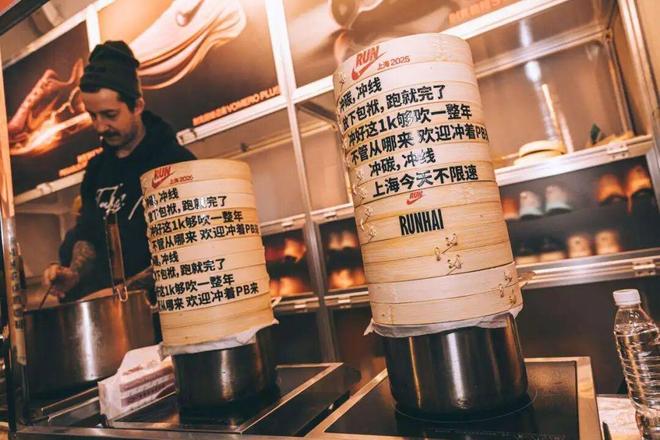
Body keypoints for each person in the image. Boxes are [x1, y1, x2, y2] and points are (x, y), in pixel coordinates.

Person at [42, 41, 196, 301]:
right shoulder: (96, 170)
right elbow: (88, 235)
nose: (100, 127)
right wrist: (74, 274)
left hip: (167, 315)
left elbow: (186, 251)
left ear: (137, 106)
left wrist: (119, 295)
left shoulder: (176, 163)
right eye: (93, 116)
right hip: (113, 316)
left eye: (110, 115)